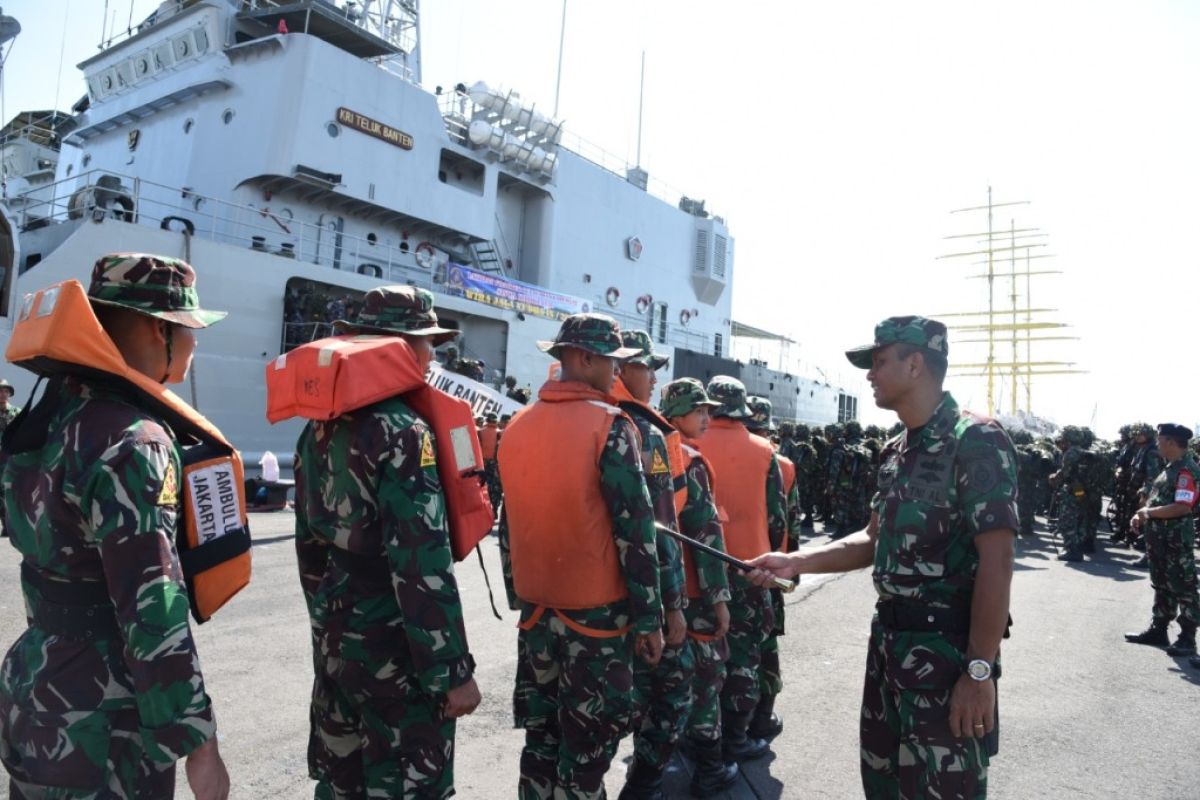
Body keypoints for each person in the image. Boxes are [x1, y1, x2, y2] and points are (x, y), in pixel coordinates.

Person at [749, 316, 1018, 800]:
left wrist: (979, 671)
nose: (869, 375)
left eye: (878, 362)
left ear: (915, 364)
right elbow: (873, 540)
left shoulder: (975, 439)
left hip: (948, 656)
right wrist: (795, 562)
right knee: (883, 787)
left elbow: (998, 563)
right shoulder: (897, 450)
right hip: (890, 650)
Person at [0, 254, 231, 799]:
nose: (194, 346)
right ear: (159, 329)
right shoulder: (135, 441)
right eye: (189, 330)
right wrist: (200, 746)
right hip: (105, 725)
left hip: (38, 694)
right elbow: (154, 608)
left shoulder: (48, 419)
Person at [294, 285, 481, 799]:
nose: (431, 357)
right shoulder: (403, 431)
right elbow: (420, 562)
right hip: (397, 652)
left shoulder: (319, 427)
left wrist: (326, 624)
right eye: (427, 344)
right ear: (401, 347)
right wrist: (451, 672)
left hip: (337, 636)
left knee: (342, 779)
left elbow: (307, 546)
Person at [498, 313, 663, 800]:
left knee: (541, 738)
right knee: (587, 749)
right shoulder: (610, 426)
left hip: (536, 616)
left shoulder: (518, 425)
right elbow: (636, 530)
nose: (617, 371)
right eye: (612, 360)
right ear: (584, 357)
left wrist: (519, 594)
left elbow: (509, 524)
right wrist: (649, 617)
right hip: (597, 622)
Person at [608, 330, 690, 800]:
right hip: (640, 603)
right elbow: (661, 530)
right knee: (670, 697)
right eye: (648, 366)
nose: (656, 376)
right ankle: (643, 787)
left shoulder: (567, 421)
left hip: (573, 605)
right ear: (620, 367)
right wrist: (673, 605)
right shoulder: (645, 432)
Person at [699, 376, 786, 762]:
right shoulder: (765, 450)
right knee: (743, 658)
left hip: (696, 571)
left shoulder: (684, 444)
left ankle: (699, 738)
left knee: (698, 655)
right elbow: (778, 520)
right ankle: (735, 739)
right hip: (750, 570)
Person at [659, 378, 739, 797]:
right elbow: (707, 539)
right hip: (693, 595)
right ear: (676, 417)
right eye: (698, 411)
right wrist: (720, 599)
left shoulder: (644, 450)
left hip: (658, 594)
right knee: (707, 677)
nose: (707, 418)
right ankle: (708, 768)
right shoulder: (687, 461)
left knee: (665, 679)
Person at [1123, 423, 1200, 657]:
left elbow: (1182, 507)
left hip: (1175, 538)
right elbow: (1157, 501)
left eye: (1160, 440)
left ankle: (1187, 638)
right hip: (1160, 539)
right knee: (1162, 583)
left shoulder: (1186, 470)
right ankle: (1159, 629)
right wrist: (1141, 513)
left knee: (1183, 586)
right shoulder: (1170, 468)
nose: (1157, 444)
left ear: (1171, 442)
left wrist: (1148, 513)